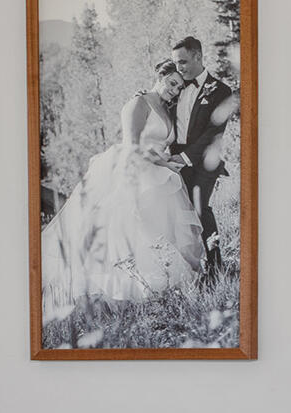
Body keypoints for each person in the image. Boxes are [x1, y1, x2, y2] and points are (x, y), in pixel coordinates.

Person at [40, 59, 205, 323]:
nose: (175, 90)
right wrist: (166, 164)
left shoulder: (165, 108)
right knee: (135, 232)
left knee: (162, 232)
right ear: (159, 76)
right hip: (135, 174)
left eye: (179, 87)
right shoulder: (137, 104)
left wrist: (170, 161)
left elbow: (161, 143)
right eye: (172, 83)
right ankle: (124, 297)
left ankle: (161, 291)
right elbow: (133, 146)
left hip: (160, 178)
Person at [169, 35, 238, 275]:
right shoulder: (175, 83)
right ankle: (188, 268)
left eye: (183, 62)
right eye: (176, 63)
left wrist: (185, 157)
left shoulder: (221, 91)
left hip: (203, 161)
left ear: (198, 56)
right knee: (175, 213)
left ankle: (216, 266)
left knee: (199, 208)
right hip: (172, 161)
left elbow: (213, 133)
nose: (179, 68)